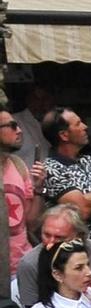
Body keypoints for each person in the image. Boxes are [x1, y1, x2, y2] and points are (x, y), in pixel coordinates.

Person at [15, 206, 91, 307]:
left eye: (59, 237)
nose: (50, 243)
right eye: (46, 235)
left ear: (79, 236)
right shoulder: (29, 264)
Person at [39, 107, 91, 246]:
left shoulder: (90, 161)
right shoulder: (51, 169)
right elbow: (82, 212)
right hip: (77, 254)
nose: (85, 126)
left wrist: (90, 198)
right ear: (64, 135)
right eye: (78, 124)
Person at [0, 105, 41, 275]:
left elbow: (30, 222)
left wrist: (38, 188)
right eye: (12, 126)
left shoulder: (18, 165)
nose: (19, 131)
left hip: (22, 267)